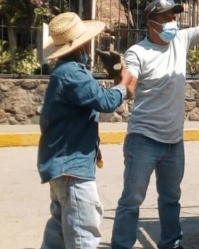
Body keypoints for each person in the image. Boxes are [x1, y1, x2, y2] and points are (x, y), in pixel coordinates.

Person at [111, 0, 199, 249]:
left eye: (174, 17)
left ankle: (171, 243)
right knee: (131, 200)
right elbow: (130, 82)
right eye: (166, 18)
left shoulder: (181, 39)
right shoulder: (138, 52)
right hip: (143, 140)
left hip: (173, 142)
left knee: (170, 198)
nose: (172, 23)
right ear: (151, 23)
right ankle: (121, 245)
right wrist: (120, 79)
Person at [38, 12, 134, 249]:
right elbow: (104, 101)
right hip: (72, 169)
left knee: (59, 232)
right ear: (81, 43)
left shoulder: (66, 71)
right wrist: (123, 87)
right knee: (83, 235)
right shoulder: (72, 73)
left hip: (62, 165)